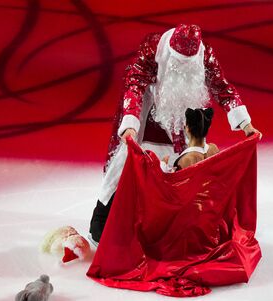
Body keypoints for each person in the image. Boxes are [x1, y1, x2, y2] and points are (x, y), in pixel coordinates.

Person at [88, 24, 261, 247]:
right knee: (125, 167)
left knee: (180, 177)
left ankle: (167, 229)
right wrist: (130, 122)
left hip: (181, 124)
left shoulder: (205, 56)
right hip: (147, 118)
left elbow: (222, 88)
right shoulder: (153, 48)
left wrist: (246, 124)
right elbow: (135, 84)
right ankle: (102, 224)